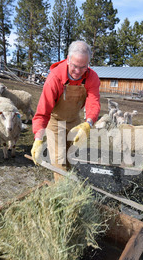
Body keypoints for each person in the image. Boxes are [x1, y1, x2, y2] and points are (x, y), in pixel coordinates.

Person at [31, 41, 100, 180]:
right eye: (74, 66)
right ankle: (64, 195)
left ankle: (73, 183)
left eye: (83, 67)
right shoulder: (55, 78)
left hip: (75, 121)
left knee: (73, 158)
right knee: (59, 161)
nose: (78, 71)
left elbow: (93, 103)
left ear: (88, 64)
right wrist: (38, 139)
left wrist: (88, 124)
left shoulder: (92, 77)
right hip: (56, 122)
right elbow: (42, 112)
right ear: (68, 60)